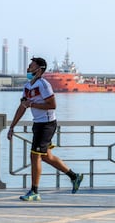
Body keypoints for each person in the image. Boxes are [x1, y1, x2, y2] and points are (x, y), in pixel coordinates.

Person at [7, 57, 83, 201]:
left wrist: (32, 105)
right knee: (46, 156)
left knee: (34, 155)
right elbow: (22, 107)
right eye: (28, 66)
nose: (28, 69)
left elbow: (52, 105)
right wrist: (12, 126)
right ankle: (74, 176)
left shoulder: (44, 85)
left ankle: (34, 191)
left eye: (31, 66)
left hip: (47, 124)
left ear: (39, 69)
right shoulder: (27, 86)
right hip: (38, 123)